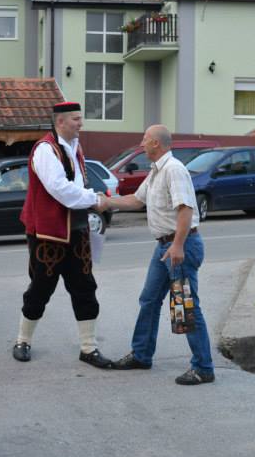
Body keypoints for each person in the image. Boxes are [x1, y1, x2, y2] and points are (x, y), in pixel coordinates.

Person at [102, 125, 215, 385]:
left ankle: (203, 367)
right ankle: (141, 355)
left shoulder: (174, 170)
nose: (142, 144)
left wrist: (178, 246)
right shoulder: (156, 171)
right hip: (164, 247)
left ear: (156, 143)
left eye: (145, 139)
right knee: (149, 299)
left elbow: (185, 209)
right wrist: (107, 202)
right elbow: (136, 200)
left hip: (179, 246)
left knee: (184, 306)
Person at [12, 101, 113, 369]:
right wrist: (95, 199)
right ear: (60, 122)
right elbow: (61, 190)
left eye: (80, 118)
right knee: (40, 288)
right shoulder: (45, 150)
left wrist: (93, 199)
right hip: (49, 233)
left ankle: (88, 347)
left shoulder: (75, 148)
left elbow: (76, 187)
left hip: (77, 230)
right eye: (76, 119)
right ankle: (22, 340)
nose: (81, 123)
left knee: (85, 287)